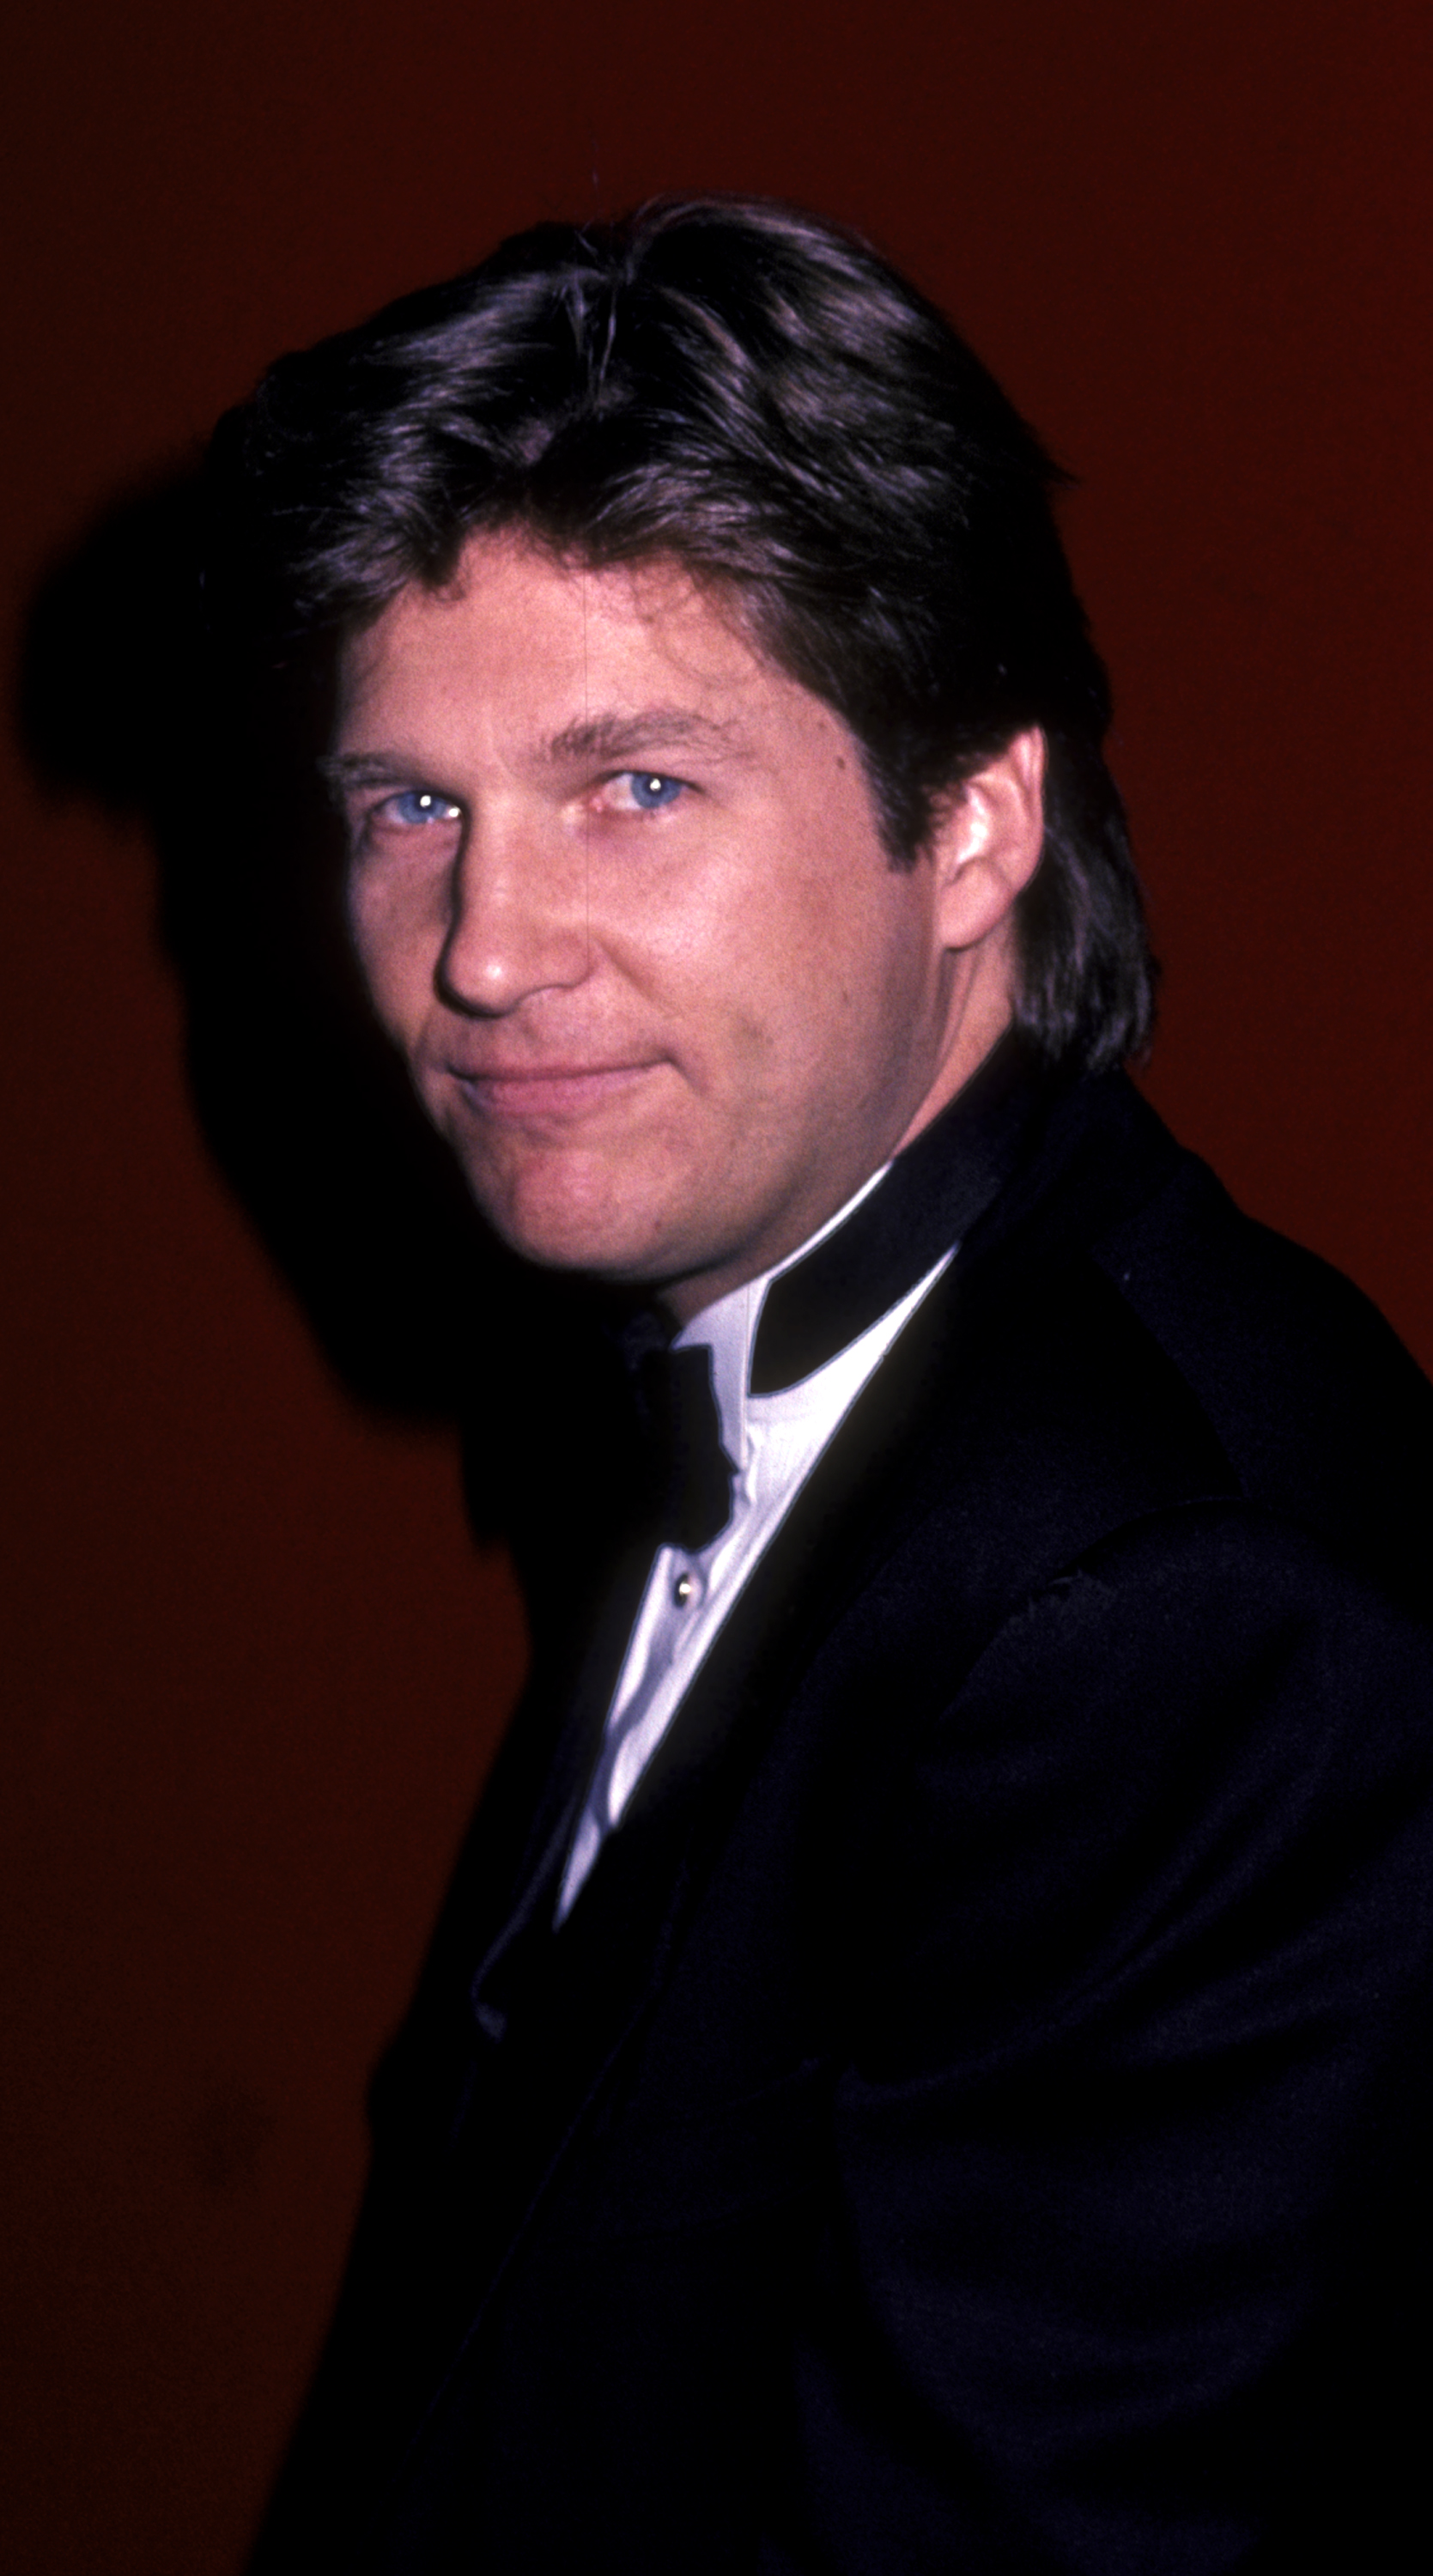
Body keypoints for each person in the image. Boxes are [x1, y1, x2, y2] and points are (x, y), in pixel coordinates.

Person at [207, 197, 1433, 2573]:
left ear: (973, 820)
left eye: (633, 788)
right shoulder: (784, 1344)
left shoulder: (1182, 1603)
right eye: (409, 808)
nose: (479, 946)